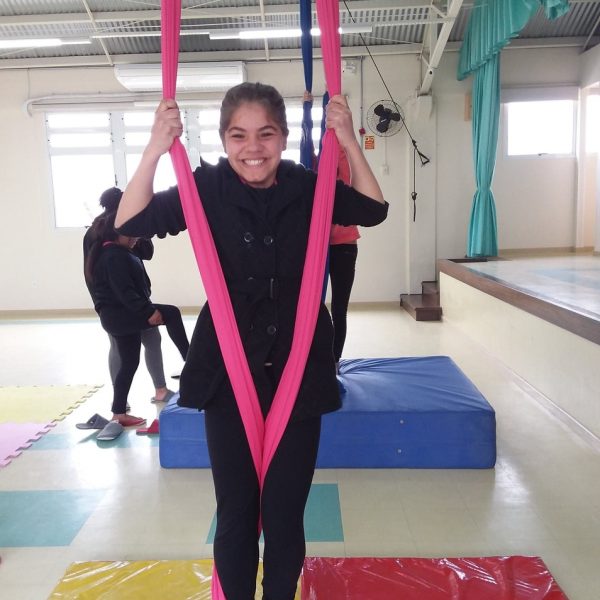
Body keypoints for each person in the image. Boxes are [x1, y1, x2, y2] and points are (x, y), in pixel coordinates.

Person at [115, 82, 387, 599]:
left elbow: (373, 209)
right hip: (227, 368)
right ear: (223, 140)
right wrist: (155, 147)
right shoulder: (206, 188)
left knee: (284, 513)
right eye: (238, 135)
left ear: (283, 137)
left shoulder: (307, 186)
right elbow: (131, 220)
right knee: (237, 510)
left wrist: (348, 140)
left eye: (266, 134)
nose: (253, 148)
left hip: (297, 364)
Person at [84, 208, 189, 427]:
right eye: (131, 234)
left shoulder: (115, 251)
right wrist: (148, 312)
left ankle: (118, 413)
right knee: (172, 313)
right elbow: (125, 292)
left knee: (129, 363)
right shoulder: (113, 256)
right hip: (122, 315)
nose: (135, 239)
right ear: (116, 233)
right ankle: (190, 363)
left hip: (119, 317)